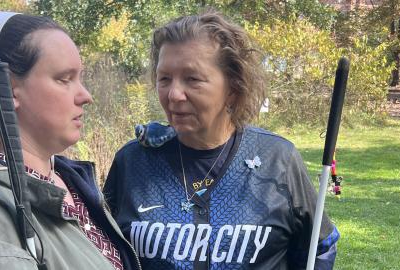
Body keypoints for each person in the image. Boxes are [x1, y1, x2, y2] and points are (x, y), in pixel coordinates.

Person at [103, 10, 339, 270]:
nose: (174, 94)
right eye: (164, 79)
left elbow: (319, 248)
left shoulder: (277, 160)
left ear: (234, 88)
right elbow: (103, 251)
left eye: (192, 79)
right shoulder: (133, 162)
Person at [0, 10, 140, 269]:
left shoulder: (70, 180)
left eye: (79, 78)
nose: (86, 96)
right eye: (64, 79)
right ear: (7, 89)